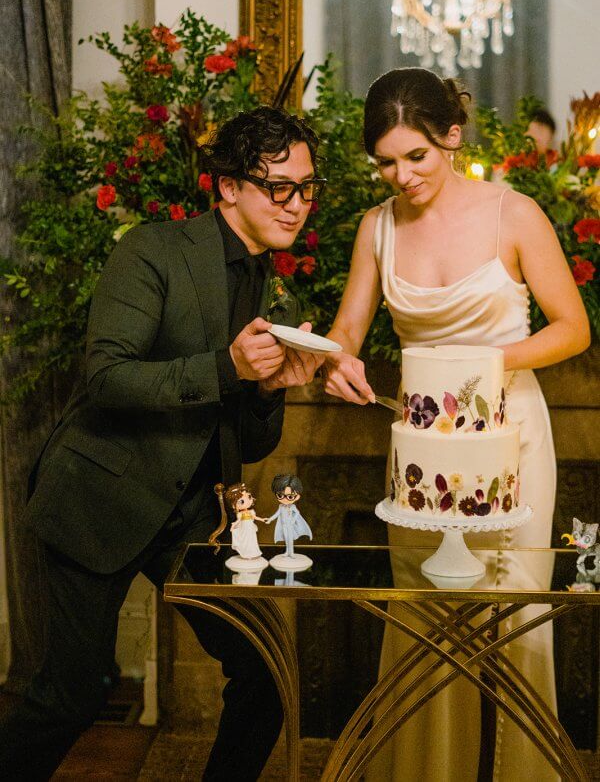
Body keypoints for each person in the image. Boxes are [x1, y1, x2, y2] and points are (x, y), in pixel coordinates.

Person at [0, 106, 326, 782]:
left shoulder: (264, 277)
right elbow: (108, 379)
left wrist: (269, 391)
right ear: (228, 186)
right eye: (279, 187)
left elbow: (249, 440)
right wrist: (228, 369)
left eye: (307, 187)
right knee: (71, 696)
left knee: (264, 675)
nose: (297, 205)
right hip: (98, 499)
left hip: (190, 517)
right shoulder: (152, 249)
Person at [322, 68, 590, 782]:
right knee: (424, 619)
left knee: (514, 620)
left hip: (512, 438)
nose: (402, 175)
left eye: (416, 156)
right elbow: (348, 328)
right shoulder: (375, 227)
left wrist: (477, 362)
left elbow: (573, 329)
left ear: (452, 137)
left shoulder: (515, 214)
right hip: (423, 447)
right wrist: (332, 361)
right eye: (385, 161)